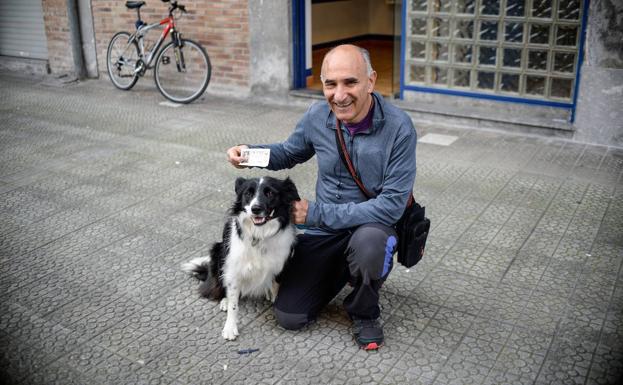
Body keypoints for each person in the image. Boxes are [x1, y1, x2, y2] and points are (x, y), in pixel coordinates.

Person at [226, 44, 417, 349]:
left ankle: (364, 310)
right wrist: (248, 154)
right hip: (323, 233)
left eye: (350, 82)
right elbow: (289, 152)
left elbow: (391, 207)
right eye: (331, 84)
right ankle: (342, 270)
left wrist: (315, 214)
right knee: (290, 315)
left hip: (370, 227)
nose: (339, 95)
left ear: (371, 80)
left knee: (369, 245)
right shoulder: (318, 115)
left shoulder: (399, 129)